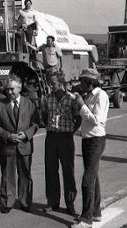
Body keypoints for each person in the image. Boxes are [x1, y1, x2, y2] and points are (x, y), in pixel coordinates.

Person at [0, 74, 39, 214]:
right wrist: (7, 135)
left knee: (25, 174)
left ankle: (25, 201)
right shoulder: (0, 104)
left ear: (19, 87)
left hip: (25, 145)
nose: (9, 92)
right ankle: (7, 201)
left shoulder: (29, 103)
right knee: (7, 175)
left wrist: (26, 134)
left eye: (12, 89)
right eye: (7, 89)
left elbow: (35, 123)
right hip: (7, 145)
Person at [71, 68, 109, 228]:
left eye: (83, 81)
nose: (81, 84)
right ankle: (96, 212)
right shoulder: (90, 95)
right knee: (94, 178)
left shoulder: (101, 96)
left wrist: (81, 106)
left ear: (91, 82)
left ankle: (87, 219)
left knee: (87, 180)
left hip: (96, 140)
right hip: (87, 139)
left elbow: (97, 120)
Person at [41, 71, 82, 216]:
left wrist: (70, 131)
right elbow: (45, 116)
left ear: (62, 83)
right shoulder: (46, 99)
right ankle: (53, 202)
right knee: (51, 171)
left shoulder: (72, 98)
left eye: (53, 84)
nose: (51, 86)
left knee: (68, 172)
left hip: (66, 138)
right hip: (51, 138)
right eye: (50, 83)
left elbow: (78, 119)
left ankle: (70, 204)